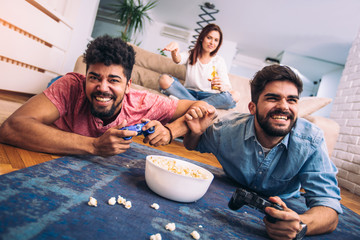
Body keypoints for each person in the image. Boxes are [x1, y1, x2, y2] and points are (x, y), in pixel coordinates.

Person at [183, 64, 342, 239]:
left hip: (285, 199)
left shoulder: (311, 141)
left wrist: (300, 225)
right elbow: (194, 144)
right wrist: (196, 132)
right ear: (252, 107)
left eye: (292, 100)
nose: (284, 107)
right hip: (228, 191)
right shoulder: (226, 129)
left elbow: (329, 208)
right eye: (273, 98)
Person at [0, 35, 215, 157]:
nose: (102, 88)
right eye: (94, 77)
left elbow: (204, 108)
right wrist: (93, 145)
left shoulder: (144, 102)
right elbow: (11, 128)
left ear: (128, 85)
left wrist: (169, 131)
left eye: (113, 80)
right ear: (85, 76)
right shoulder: (71, 86)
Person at [159, 23, 240, 110]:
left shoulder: (219, 61)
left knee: (236, 95)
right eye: (209, 38)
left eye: (216, 40)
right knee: (164, 79)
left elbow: (227, 88)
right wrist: (175, 50)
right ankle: (199, 106)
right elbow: (177, 59)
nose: (212, 42)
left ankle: (190, 104)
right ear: (202, 38)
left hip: (209, 96)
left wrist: (222, 87)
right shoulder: (191, 54)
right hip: (188, 92)